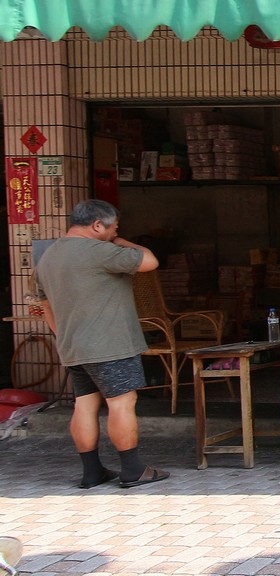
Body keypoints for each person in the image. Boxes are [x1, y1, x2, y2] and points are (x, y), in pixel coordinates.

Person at [35, 199, 168, 489]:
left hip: (73, 347)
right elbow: (149, 261)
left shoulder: (48, 257)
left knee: (84, 405)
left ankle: (92, 472)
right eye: (113, 227)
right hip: (109, 345)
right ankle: (133, 469)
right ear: (97, 225)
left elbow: (47, 308)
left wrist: (66, 338)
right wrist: (120, 240)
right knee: (122, 402)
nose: (114, 233)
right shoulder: (100, 251)